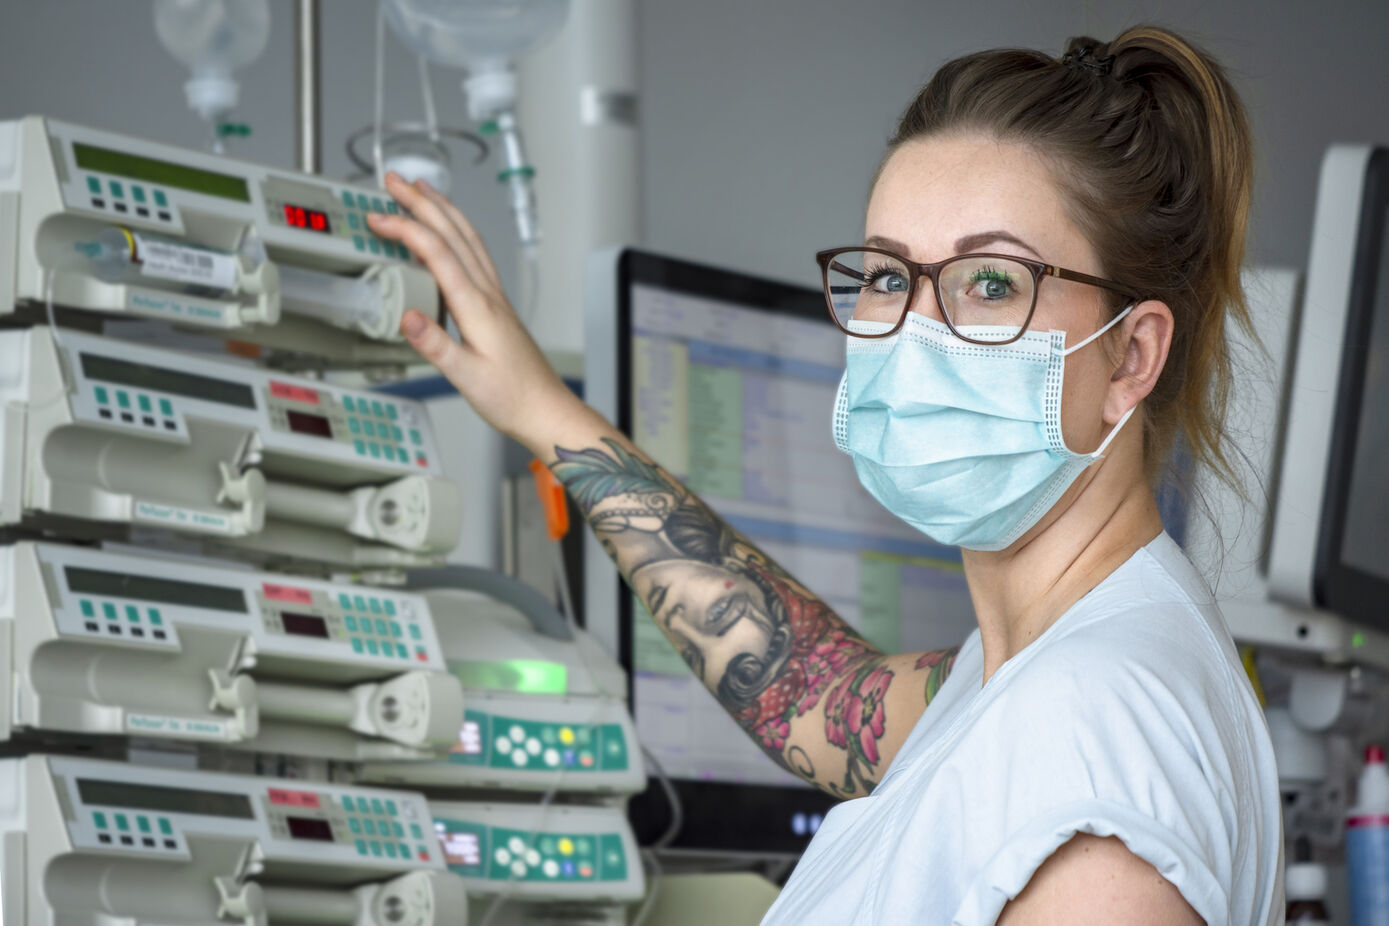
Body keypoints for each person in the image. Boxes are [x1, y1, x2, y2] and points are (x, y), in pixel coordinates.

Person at [366, 23, 1282, 925]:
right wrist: (543, 412)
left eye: (990, 283)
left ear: (1129, 356)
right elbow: (814, 692)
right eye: (887, 277)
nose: (915, 334)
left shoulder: (1095, 730)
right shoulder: (1029, 672)